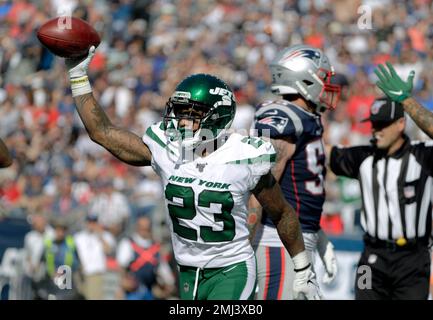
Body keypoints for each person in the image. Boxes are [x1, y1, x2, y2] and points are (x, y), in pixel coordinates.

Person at [63, 46, 321, 300]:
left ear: (217, 117)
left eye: (192, 114)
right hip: (186, 269)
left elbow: (281, 212)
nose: (182, 122)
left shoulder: (243, 157)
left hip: (232, 269)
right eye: (180, 112)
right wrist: (77, 75)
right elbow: (102, 133)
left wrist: (302, 267)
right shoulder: (168, 149)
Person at [327, 62, 433, 300]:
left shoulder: (422, 155)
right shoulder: (364, 157)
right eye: (374, 125)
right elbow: (321, 152)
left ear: (401, 124)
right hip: (370, 259)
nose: (377, 130)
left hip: (412, 260)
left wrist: (407, 102)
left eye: (383, 124)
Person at [249, 44, 339, 300]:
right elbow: (261, 190)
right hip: (277, 245)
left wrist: (319, 237)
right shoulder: (284, 116)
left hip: (297, 243)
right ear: (303, 79)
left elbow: (297, 191)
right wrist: (242, 249)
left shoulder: (307, 118)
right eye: (322, 78)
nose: (326, 85)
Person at [116, 215, 175, 300]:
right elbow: (121, 266)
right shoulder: (128, 243)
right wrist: (122, 285)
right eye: (142, 227)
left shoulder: (155, 246)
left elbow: (163, 268)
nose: (144, 230)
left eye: (146, 228)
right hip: (133, 290)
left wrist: (168, 284)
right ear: (137, 227)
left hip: (150, 289)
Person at [74, 214, 116, 300]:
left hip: (95, 272)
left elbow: (108, 251)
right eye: (89, 222)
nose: (91, 225)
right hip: (81, 273)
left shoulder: (106, 235)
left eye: (94, 222)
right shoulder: (78, 237)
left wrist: (100, 235)